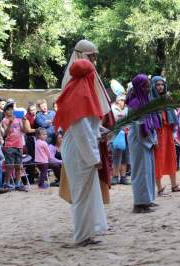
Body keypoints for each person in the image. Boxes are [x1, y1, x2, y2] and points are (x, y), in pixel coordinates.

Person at [54, 59, 107, 246]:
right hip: (79, 151)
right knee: (81, 194)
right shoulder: (81, 95)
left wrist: (100, 132)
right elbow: (82, 131)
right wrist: (94, 157)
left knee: (88, 192)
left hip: (79, 147)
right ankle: (81, 236)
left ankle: (88, 232)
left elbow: (88, 126)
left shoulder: (75, 91)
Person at [61, 39, 113, 204]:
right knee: (83, 193)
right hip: (81, 142)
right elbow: (80, 120)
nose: (94, 61)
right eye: (91, 56)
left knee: (92, 186)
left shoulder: (87, 75)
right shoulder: (74, 80)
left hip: (92, 135)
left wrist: (100, 129)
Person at [126, 74, 159, 213]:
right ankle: (139, 204)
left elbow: (150, 122)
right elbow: (139, 128)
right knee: (141, 172)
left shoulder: (145, 101)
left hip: (147, 141)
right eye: (145, 86)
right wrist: (150, 142)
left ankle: (148, 199)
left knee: (148, 171)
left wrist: (154, 139)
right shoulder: (135, 104)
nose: (148, 88)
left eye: (148, 85)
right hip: (140, 143)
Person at [151, 76, 180, 195]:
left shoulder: (167, 98)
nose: (160, 87)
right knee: (159, 158)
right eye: (157, 85)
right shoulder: (151, 100)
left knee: (171, 156)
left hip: (168, 131)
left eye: (162, 84)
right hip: (158, 132)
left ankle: (174, 185)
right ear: (153, 86)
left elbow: (172, 114)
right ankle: (159, 187)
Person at [1, 101, 28, 191]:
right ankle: (6, 183)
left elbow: (24, 131)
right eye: (8, 110)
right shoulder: (4, 120)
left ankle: (17, 183)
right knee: (9, 166)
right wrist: (10, 123)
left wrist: (24, 122)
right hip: (10, 146)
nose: (11, 111)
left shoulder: (18, 119)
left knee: (18, 166)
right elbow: (5, 133)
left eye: (12, 109)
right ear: (5, 112)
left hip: (19, 145)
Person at [110, 95, 130, 185]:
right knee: (116, 157)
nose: (122, 101)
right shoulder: (112, 109)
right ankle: (114, 176)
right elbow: (111, 121)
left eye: (124, 100)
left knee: (125, 157)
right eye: (121, 100)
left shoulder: (127, 109)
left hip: (126, 135)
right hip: (115, 135)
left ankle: (123, 177)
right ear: (117, 101)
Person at [24, 103, 38, 184]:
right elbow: (28, 130)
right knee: (31, 158)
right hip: (29, 139)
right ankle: (30, 178)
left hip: (36, 138)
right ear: (28, 111)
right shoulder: (26, 117)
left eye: (34, 109)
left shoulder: (37, 115)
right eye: (31, 110)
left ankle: (36, 175)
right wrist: (39, 129)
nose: (33, 111)